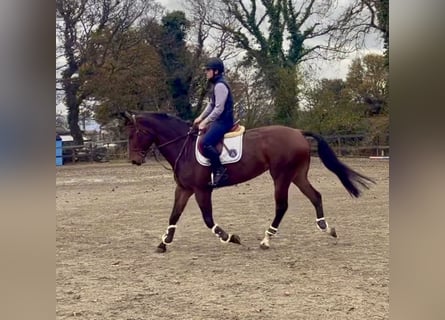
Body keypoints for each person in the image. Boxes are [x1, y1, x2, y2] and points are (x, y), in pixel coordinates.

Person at [193, 57, 235, 187]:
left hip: (224, 121)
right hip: (219, 120)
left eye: (208, 70)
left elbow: (219, 108)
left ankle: (220, 171)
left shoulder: (220, 86)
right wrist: (200, 117)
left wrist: (205, 122)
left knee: (205, 143)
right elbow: (211, 105)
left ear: (216, 71)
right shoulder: (216, 85)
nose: (206, 72)